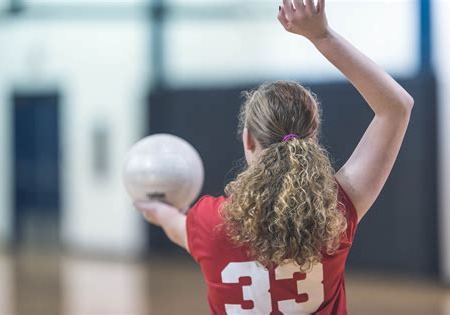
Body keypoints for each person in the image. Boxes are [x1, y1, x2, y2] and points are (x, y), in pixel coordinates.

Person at [135, 0, 414, 314]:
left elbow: (176, 224)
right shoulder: (337, 211)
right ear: (313, 134)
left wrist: (156, 208)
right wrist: (322, 37)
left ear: (248, 139)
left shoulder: (209, 222)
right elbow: (396, 108)